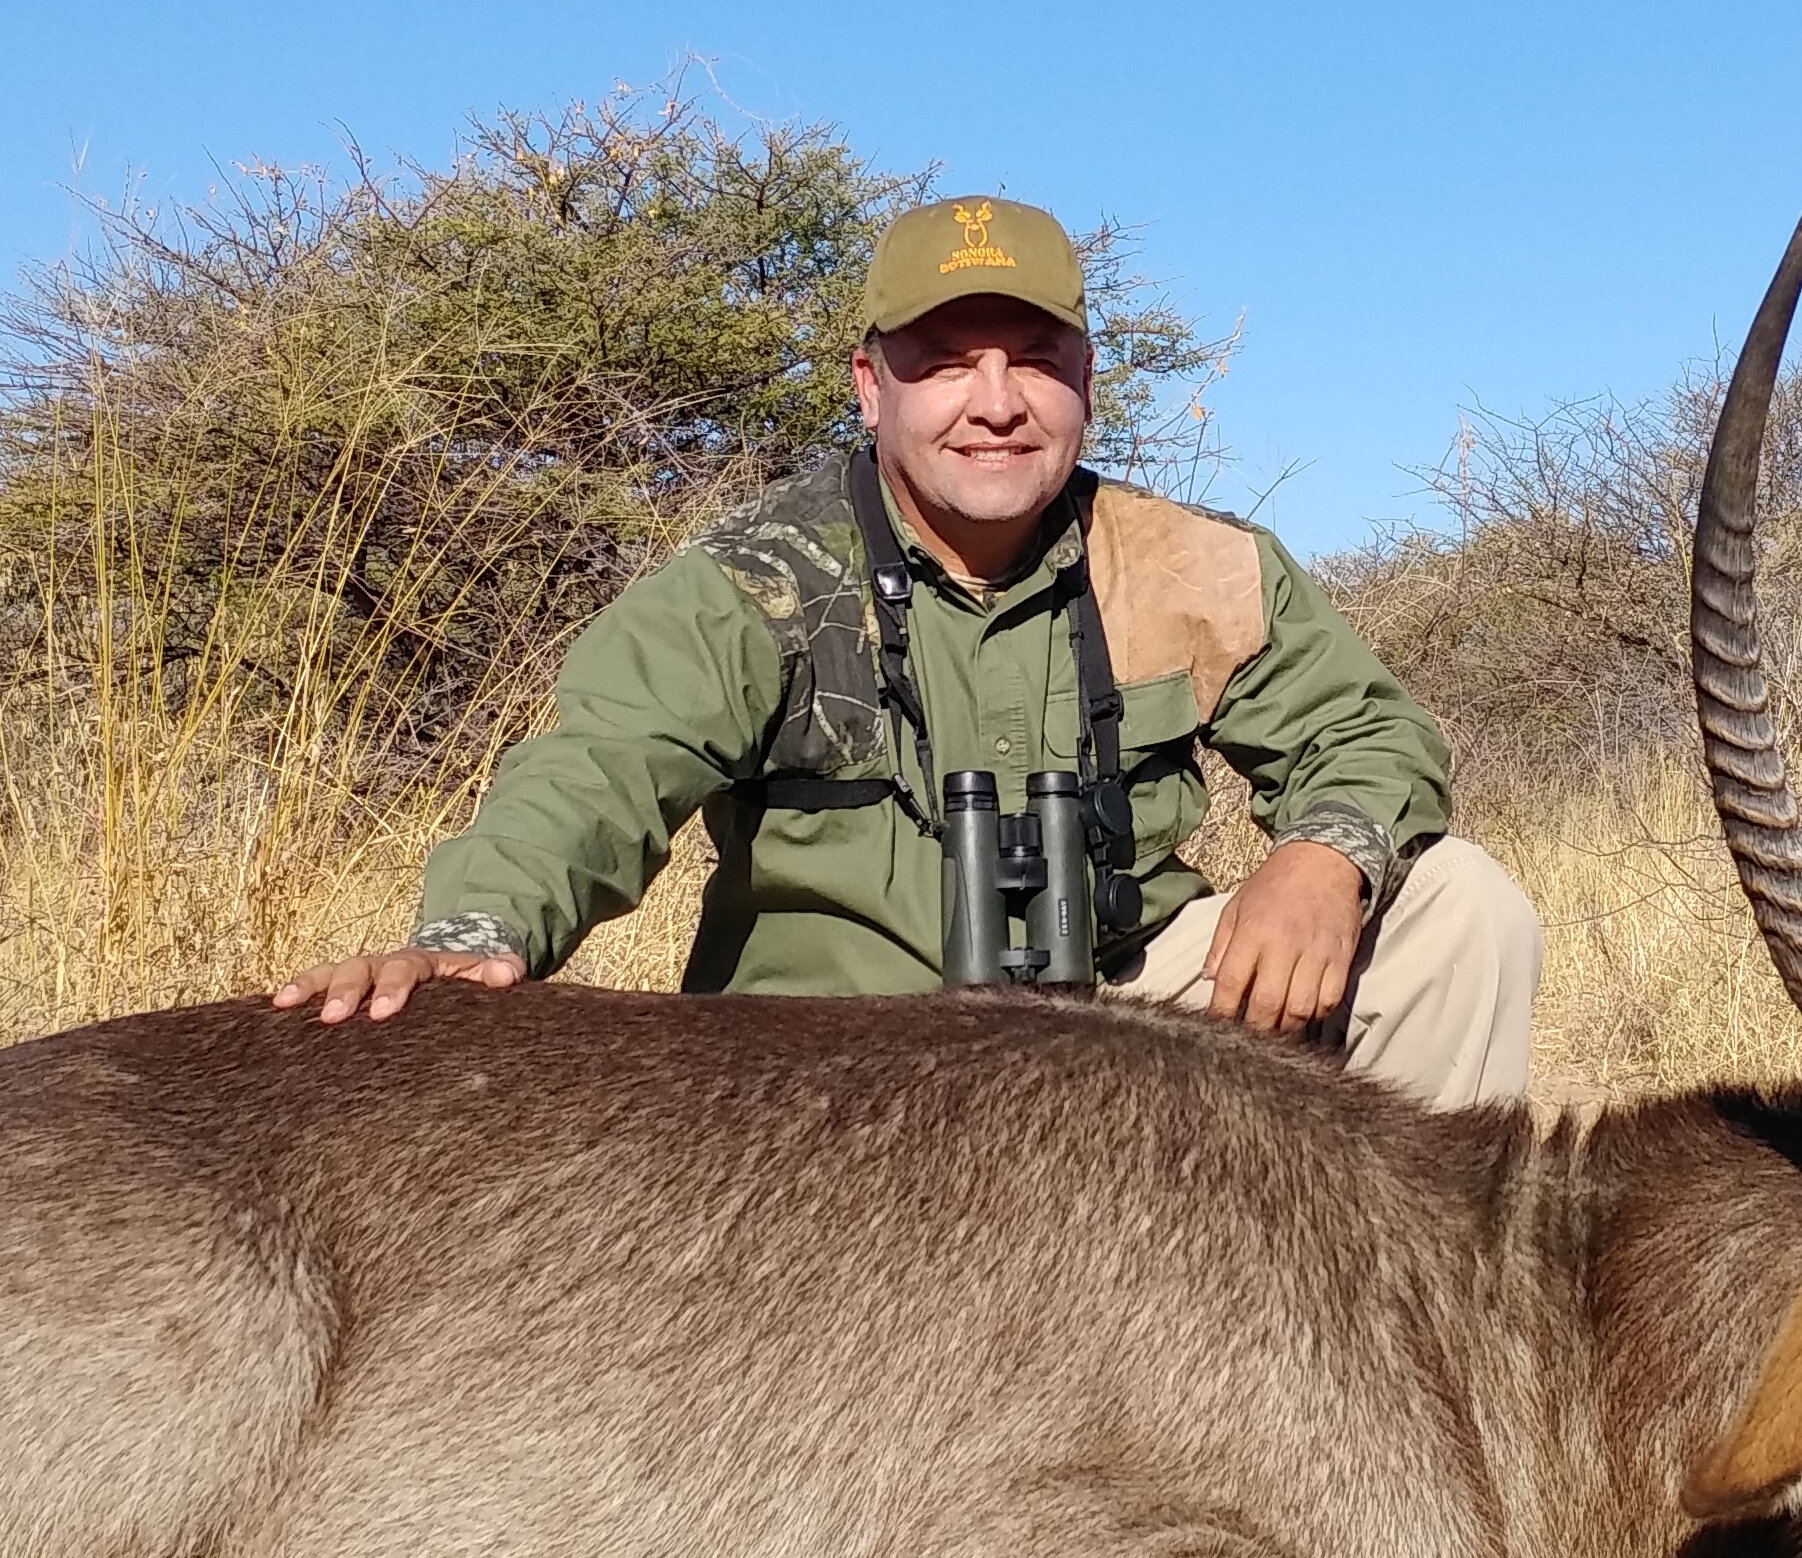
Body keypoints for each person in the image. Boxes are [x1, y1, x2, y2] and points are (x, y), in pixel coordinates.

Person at [268, 193, 1541, 1107]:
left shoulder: (1194, 564)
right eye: (946, 364)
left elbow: (1368, 734)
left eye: (1035, 361)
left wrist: (1326, 854)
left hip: (1131, 1038)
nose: (997, 402)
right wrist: (472, 935)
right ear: (870, 387)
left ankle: (1395, 1337)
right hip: (829, 1074)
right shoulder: (750, 586)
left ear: (1086, 379)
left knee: (1456, 908)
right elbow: (591, 778)